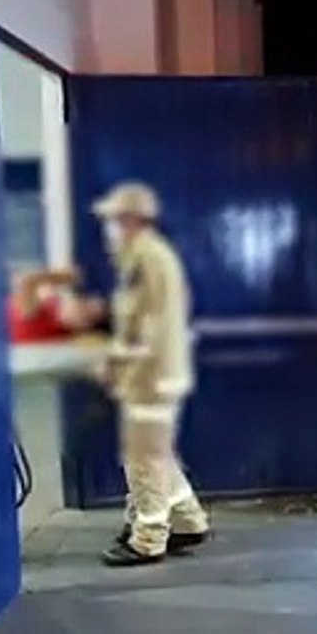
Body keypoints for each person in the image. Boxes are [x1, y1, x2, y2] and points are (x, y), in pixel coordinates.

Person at [91, 181, 211, 567]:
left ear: (131, 220)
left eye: (113, 220)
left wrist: (119, 365)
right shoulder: (145, 257)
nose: (108, 228)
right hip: (158, 373)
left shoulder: (147, 260)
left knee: (142, 458)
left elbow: (146, 328)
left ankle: (148, 538)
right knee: (156, 452)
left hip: (150, 377)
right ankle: (189, 520)